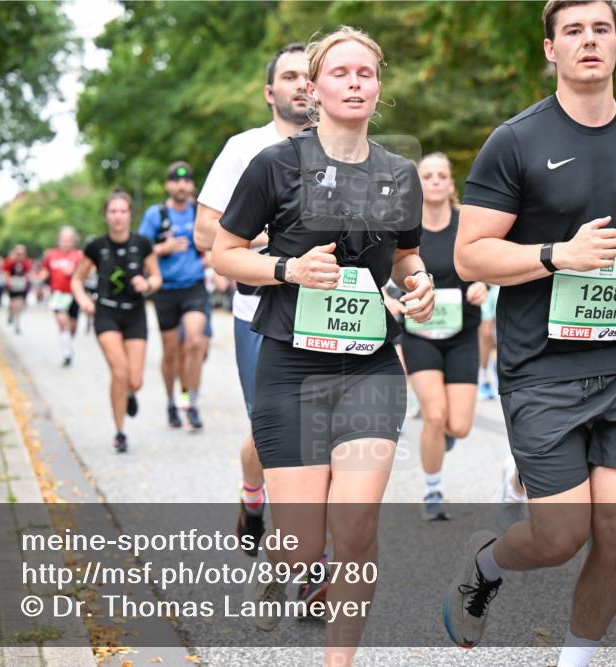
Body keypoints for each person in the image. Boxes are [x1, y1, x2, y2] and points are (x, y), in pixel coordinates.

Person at [444, 3, 616, 665]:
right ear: (550, 49)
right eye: (573, 30)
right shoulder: (515, 140)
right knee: (561, 535)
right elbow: (469, 255)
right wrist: (554, 255)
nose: (588, 40)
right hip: (540, 367)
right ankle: (487, 562)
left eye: (600, 29)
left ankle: (577, 659)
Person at [212, 27, 433, 665]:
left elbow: (408, 259)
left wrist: (419, 288)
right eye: (341, 73)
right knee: (304, 544)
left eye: (366, 73)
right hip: (290, 370)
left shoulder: (399, 174)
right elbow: (225, 254)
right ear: (314, 88)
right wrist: (287, 270)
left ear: (379, 86)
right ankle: (280, 563)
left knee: (356, 525)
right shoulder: (275, 165)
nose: (356, 83)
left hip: (370, 369)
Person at [192, 42, 310, 562]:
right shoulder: (245, 149)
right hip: (259, 313)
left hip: (328, 315)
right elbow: (203, 231)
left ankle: (311, 565)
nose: (302, 85)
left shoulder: (344, 147)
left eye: (310, 75)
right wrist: (271, 240)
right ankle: (253, 493)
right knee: (273, 436)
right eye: (290, 77)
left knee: (314, 439)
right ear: (270, 92)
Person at [402, 153, 488, 521]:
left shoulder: (466, 223)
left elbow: (487, 262)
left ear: (451, 185)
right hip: (420, 333)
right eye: (427, 175)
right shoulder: (407, 227)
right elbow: (388, 269)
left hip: (463, 332)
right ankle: (433, 490)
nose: (435, 181)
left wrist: (483, 283)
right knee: (434, 416)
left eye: (442, 176)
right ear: (418, 185)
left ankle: (442, 438)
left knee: (460, 426)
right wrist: (392, 298)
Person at [72, 189, 161, 453]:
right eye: (113, 211)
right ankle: (120, 431)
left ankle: (130, 393)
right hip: (106, 312)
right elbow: (77, 279)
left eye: (123, 211)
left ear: (130, 215)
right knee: (119, 371)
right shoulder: (96, 246)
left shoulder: (143, 243)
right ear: (106, 215)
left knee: (135, 380)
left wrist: (146, 283)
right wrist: (83, 301)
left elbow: (157, 277)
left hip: (135, 313)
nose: (118, 217)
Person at [139, 162, 207, 431]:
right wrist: (162, 248)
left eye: (187, 181)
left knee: (194, 342)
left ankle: (188, 401)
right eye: (176, 181)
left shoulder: (199, 212)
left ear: (191, 185)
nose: (182, 186)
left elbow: (212, 242)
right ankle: (171, 401)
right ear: (168, 185)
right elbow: (141, 251)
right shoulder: (156, 214)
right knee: (170, 352)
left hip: (193, 285)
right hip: (165, 290)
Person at [38, 226, 83, 366]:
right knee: (62, 321)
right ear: (59, 239)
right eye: (63, 239)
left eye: (69, 239)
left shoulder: (79, 255)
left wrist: (75, 272)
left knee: (73, 326)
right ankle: (66, 353)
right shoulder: (51, 254)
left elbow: (87, 271)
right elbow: (44, 270)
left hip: (74, 294)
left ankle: (68, 343)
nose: (66, 242)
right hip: (58, 293)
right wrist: (39, 280)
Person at [3, 245, 33, 334]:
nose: (20, 256)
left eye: (22, 254)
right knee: (13, 304)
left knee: (19, 305)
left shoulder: (26, 262)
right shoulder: (9, 262)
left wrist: (29, 279)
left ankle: (17, 323)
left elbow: (29, 273)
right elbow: (5, 273)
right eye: (18, 254)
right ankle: (11, 313)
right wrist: (9, 282)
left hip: (22, 286)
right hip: (12, 286)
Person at [477, 285, 498, 399]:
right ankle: (483, 375)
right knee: (486, 333)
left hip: (502, 283)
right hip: (483, 283)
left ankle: (499, 370)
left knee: (503, 329)